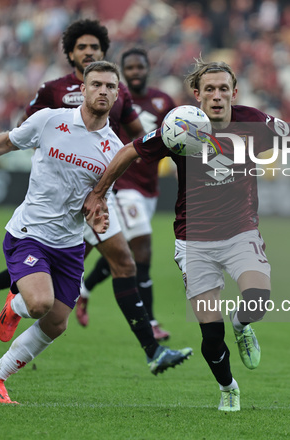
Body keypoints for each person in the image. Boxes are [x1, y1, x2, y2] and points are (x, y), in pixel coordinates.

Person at [82, 59, 290, 412]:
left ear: (234, 92)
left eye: (223, 89)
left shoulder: (254, 122)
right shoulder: (180, 127)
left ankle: (242, 325)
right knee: (210, 334)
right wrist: (99, 192)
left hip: (240, 231)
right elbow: (128, 151)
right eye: (209, 90)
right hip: (194, 240)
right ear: (197, 95)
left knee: (258, 298)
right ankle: (228, 387)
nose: (217, 96)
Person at [0, 61, 192, 404]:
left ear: (117, 95)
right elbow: (8, 142)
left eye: (110, 87)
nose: (103, 91)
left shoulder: (112, 149)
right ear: (84, 90)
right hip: (30, 231)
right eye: (97, 84)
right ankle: (16, 304)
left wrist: (99, 216)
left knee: (57, 323)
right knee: (41, 302)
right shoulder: (51, 120)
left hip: (70, 244)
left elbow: (100, 200)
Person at [0, 20, 165, 347]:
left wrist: (158, 148)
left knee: (116, 258)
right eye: (82, 47)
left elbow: (134, 136)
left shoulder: (118, 91)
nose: (89, 52)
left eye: (95, 47)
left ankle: (152, 347)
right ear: (71, 54)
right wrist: (61, 157)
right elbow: (25, 130)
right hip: (64, 192)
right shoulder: (53, 90)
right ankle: (151, 344)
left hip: (102, 191)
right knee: (100, 256)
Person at [75, 48, 176, 341]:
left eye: (138, 67)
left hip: (149, 188)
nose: (134, 72)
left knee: (116, 251)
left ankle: (81, 288)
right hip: (122, 186)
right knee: (142, 250)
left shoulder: (163, 101)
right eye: (128, 67)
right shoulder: (114, 102)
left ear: (146, 69)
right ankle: (152, 322)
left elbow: (175, 138)